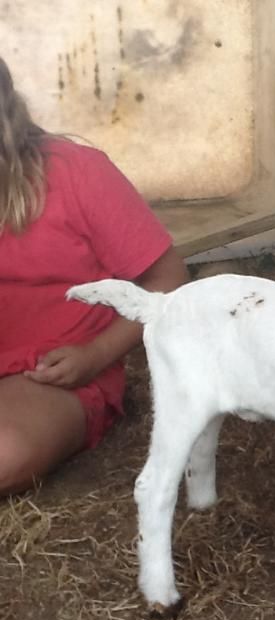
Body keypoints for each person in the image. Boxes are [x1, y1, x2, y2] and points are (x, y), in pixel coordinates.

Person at [0, 58, 188, 495]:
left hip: (52, 374)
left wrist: (96, 354)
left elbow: (169, 277)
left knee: (3, 453)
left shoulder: (75, 171)